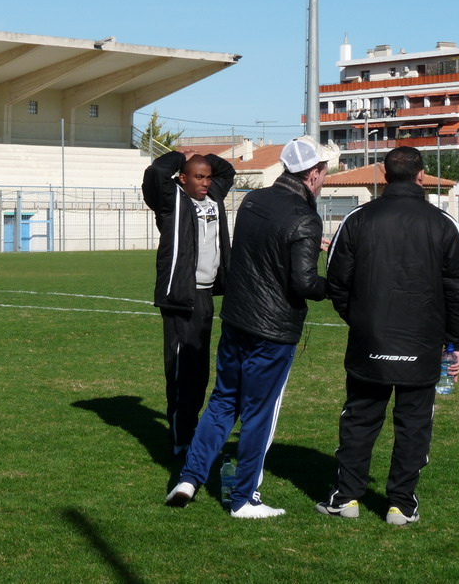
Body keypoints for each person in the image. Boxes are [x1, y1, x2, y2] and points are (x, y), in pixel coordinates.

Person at [166, 136, 336, 518]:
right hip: (272, 330)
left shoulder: (253, 201)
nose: (325, 177)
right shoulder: (305, 216)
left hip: (237, 319)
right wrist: (338, 286)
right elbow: (304, 283)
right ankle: (244, 499)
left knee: (222, 402)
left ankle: (189, 478)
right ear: (312, 173)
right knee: (260, 412)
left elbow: (264, 250)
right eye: (323, 171)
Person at [317, 146, 459, 526]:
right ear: (421, 176)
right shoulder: (440, 222)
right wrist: (454, 344)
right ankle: (395, 504)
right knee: (412, 423)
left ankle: (358, 498)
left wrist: (360, 320)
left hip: (380, 341)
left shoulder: (362, 218)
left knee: (360, 419)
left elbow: (336, 280)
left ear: (385, 176)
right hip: (414, 343)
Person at [142, 149, 235, 457]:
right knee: (183, 370)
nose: (206, 182)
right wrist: (182, 155)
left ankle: (190, 429)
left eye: (207, 177)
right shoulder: (173, 201)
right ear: (182, 178)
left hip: (206, 295)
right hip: (182, 296)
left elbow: (227, 171)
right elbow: (157, 172)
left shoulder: (214, 197)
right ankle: (182, 436)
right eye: (198, 176)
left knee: (200, 369)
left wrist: (205, 157)